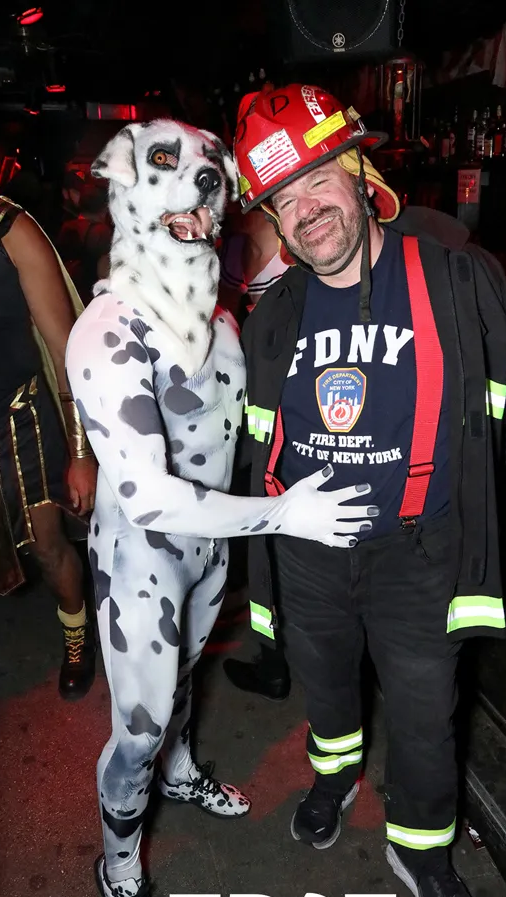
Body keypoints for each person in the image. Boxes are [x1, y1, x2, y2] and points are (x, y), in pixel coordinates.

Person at [233, 84, 506, 897]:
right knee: (326, 686)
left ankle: (421, 850)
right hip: (310, 553)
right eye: (283, 199)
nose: (306, 211)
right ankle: (333, 778)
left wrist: (465, 468)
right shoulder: (275, 313)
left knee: (423, 717)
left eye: (317, 181)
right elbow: (260, 441)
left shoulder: (455, 277)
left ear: (358, 173)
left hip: (417, 552)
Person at [65, 118, 374, 897]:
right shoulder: (106, 331)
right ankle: (118, 869)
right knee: (137, 728)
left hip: (210, 548)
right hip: (142, 556)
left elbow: (324, 258)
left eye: (210, 169)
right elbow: (148, 494)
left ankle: (181, 770)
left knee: (185, 681)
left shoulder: (220, 316)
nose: (198, 180)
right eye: (166, 163)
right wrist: (282, 516)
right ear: (121, 180)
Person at [0, 107, 97, 707]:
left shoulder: (11, 228)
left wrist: (81, 454)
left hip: (23, 432)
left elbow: (67, 350)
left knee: (50, 548)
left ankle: (77, 638)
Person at [217, 205, 292, 700]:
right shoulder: (232, 248)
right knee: (263, 541)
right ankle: (273, 661)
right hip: (253, 416)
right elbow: (221, 316)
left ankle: (287, 660)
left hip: (299, 415)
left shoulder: (297, 245)